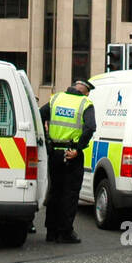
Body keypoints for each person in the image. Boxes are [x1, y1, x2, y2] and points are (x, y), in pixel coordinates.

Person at [39, 79, 95, 243]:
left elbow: (39, 115)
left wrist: (47, 139)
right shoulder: (85, 103)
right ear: (85, 91)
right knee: (69, 194)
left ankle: (51, 232)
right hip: (71, 154)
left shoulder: (56, 98)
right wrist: (78, 149)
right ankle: (65, 232)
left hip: (55, 153)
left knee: (55, 191)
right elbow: (90, 127)